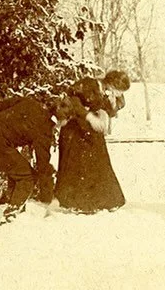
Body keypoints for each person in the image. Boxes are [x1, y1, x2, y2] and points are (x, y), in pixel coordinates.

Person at [0, 96, 77, 224]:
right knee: (27, 176)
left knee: (16, 169)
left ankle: (13, 203)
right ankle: (11, 214)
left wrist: (5, 127)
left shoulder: (29, 102)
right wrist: (48, 195)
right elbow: (42, 164)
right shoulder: (44, 128)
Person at [53, 69, 131, 214]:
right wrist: (89, 116)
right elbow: (72, 101)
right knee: (78, 166)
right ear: (111, 84)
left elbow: (109, 112)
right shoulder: (89, 84)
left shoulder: (109, 94)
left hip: (90, 133)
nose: (120, 94)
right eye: (119, 90)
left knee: (99, 164)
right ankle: (77, 204)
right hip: (74, 131)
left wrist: (112, 105)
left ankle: (104, 201)